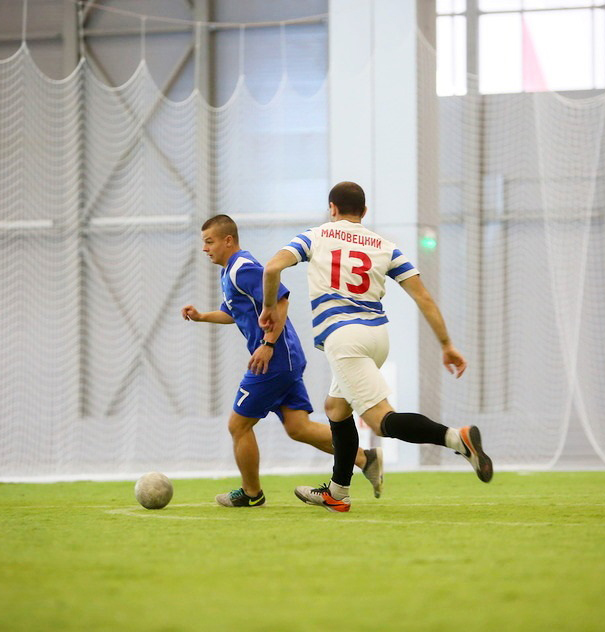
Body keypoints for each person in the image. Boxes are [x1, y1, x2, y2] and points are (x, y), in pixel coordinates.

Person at [258, 182, 492, 513]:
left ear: (332, 208)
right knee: (336, 409)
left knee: (381, 420)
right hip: (377, 337)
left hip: (344, 338)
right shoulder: (385, 246)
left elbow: (272, 267)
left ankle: (457, 438)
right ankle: (338, 492)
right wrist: (446, 344)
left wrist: (269, 307)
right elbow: (423, 297)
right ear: (364, 211)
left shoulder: (316, 236)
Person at [182, 214, 384, 508]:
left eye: (209, 242)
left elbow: (281, 300)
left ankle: (252, 494)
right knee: (298, 427)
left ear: (228, 240)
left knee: (238, 425)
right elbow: (232, 313)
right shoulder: (229, 272)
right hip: (284, 358)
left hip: (274, 360)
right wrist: (202, 316)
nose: (205, 248)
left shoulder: (243, 268)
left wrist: (267, 343)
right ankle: (365, 458)